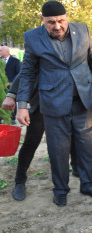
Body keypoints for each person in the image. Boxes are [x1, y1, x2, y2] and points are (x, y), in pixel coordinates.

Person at [16, 0, 92, 207]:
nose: (57, 26)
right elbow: (27, 73)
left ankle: (88, 184)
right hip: (53, 104)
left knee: (86, 147)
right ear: (42, 20)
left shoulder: (83, 30)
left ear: (67, 16)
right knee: (58, 149)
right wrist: (22, 105)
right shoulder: (32, 38)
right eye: (51, 22)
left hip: (83, 100)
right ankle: (60, 190)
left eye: (61, 20)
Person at [2, 73, 79, 201]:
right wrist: (11, 95)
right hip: (40, 103)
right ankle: (20, 181)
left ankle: (76, 168)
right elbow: (26, 72)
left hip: (65, 102)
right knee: (31, 142)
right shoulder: (43, 53)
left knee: (69, 139)